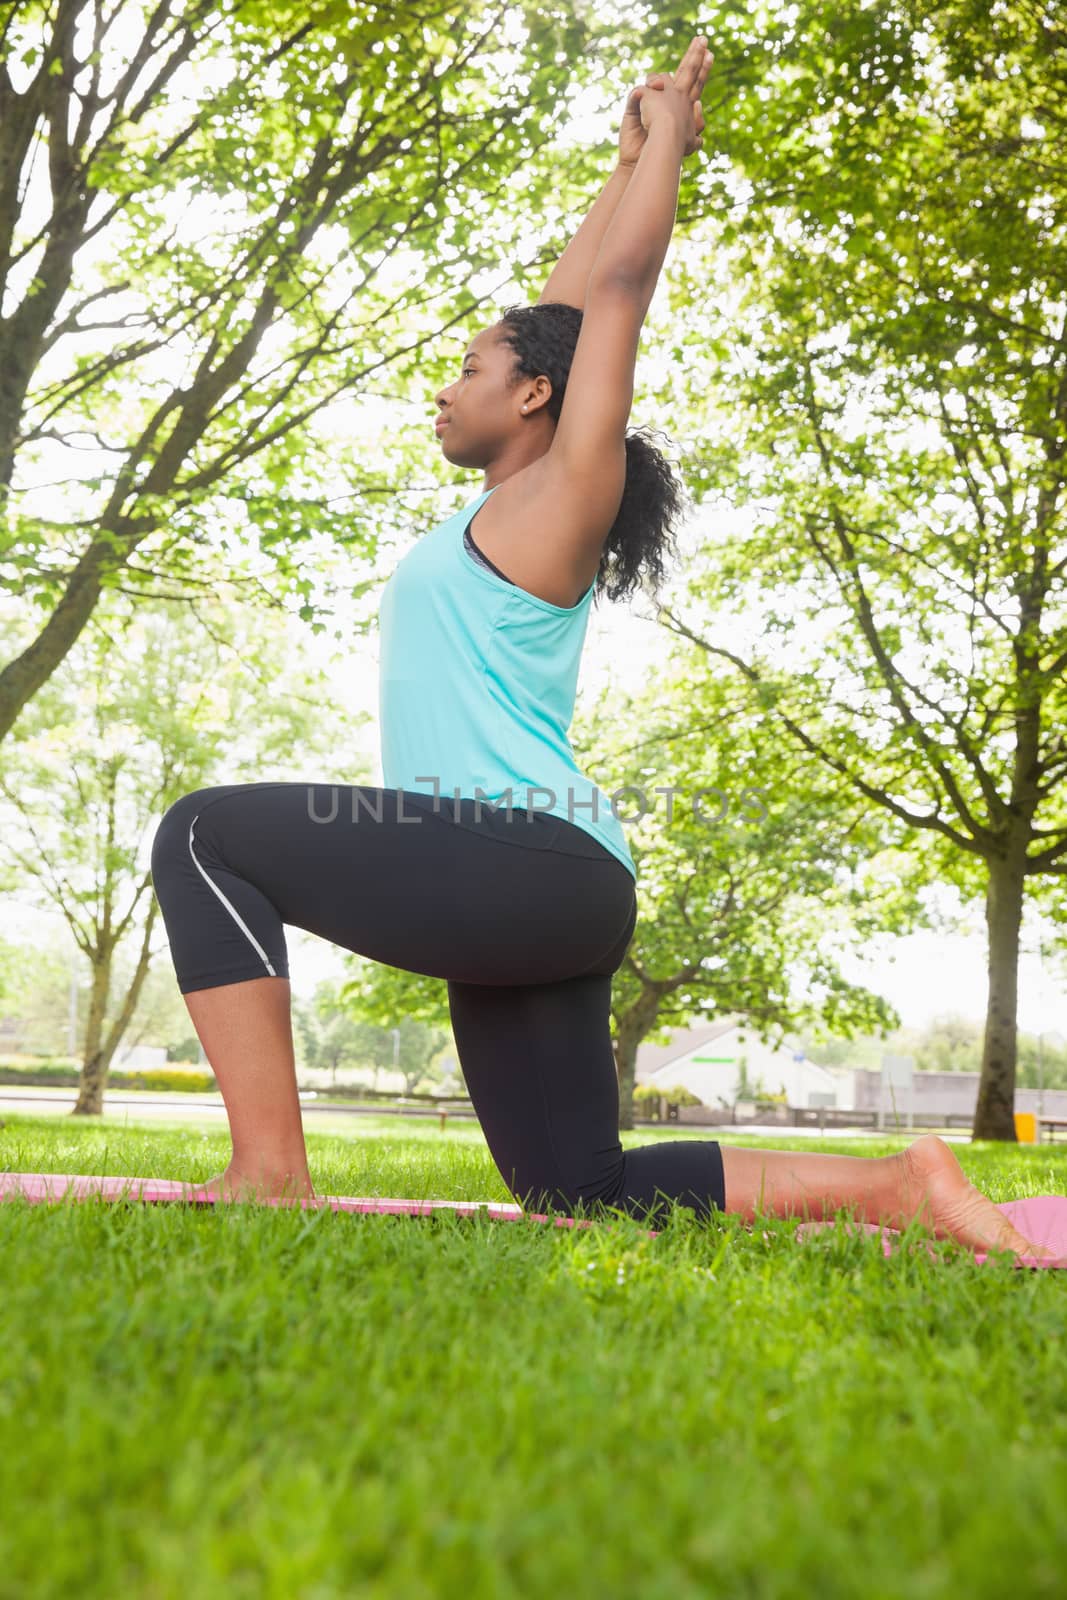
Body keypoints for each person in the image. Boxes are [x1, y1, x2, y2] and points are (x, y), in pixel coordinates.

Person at [149, 36, 1052, 1265]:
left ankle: (268, 1169)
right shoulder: (501, 504)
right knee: (579, 1188)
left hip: (528, 859)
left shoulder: (562, 492)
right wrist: (623, 156)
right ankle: (898, 1183)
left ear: (531, 401)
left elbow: (610, 302)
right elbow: (563, 311)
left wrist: (671, 149)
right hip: (534, 880)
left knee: (202, 833)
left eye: (468, 368)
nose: (445, 384)